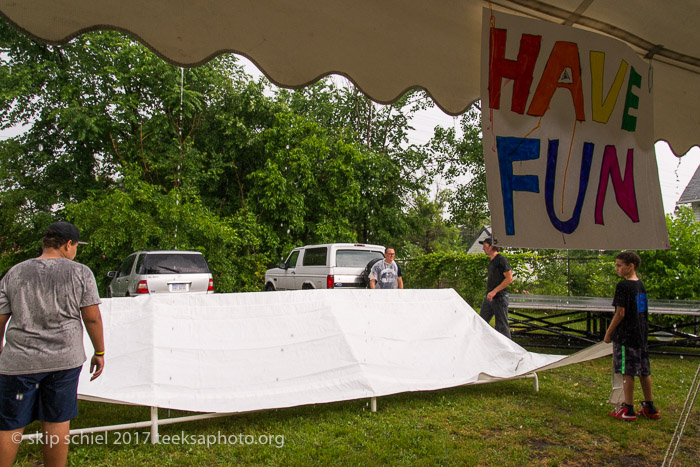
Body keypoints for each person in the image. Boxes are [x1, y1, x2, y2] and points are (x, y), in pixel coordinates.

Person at [0, 221, 105, 466]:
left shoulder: (14, 272)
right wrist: (99, 351)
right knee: (57, 421)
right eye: (76, 246)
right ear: (68, 245)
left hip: (18, 361)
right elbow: (91, 317)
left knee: (10, 424)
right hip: (64, 361)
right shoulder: (80, 272)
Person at [604, 251, 660, 421]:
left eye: (620, 265)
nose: (617, 269)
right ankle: (649, 406)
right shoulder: (640, 285)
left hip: (626, 335)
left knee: (626, 371)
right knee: (644, 370)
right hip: (641, 334)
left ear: (631, 266)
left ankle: (628, 408)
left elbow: (620, 313)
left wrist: (609, 333)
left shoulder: (623, 286)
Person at [478, 237, 513, 338]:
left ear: (492, 246)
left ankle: (508, 351)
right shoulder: (492, 261)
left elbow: (509, 278)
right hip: (489, 298)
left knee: (502, 327)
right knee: (481, 323)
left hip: (500, 298)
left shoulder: (501, 260)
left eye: (485, 246)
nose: (483, 249)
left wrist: (494, 291)